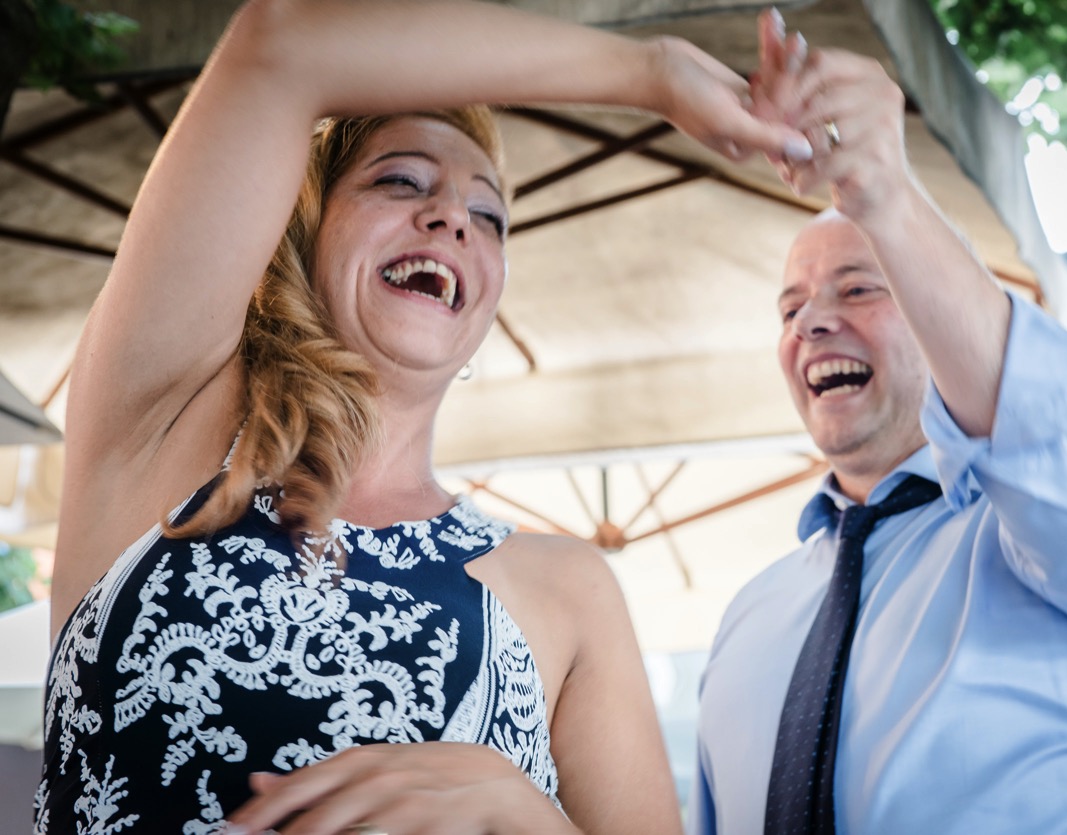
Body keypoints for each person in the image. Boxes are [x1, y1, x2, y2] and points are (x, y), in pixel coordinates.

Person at [35, 2, 817, 833]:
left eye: (488, 217)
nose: (452, 216)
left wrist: (526, 818)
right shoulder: (162, 420)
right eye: (400, 181)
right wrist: (651, 73)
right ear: (303, 231)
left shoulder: (569, 591)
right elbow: (280, 43)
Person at [690, 11, 1067, 834]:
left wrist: (884, 194)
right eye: (790, 307)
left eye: (859, 287)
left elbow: (1044, 429)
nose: (811, 323)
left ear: (936, 312)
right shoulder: (748, 615)